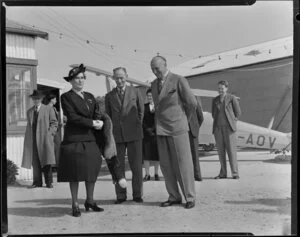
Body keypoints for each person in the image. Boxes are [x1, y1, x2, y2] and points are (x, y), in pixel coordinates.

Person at [150, 56, 197, 209]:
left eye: (157, 68)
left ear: (165, 64)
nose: (155, 71)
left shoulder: (178, 80)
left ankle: (190, 197)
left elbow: (191, 103)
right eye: (152, 69)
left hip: (178, 129)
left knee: (183, 165)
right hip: (161, 129)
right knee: (166, 166)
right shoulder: (153, 84)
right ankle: (173, 196)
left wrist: (184, 120)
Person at [58, 64, 104, 217]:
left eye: (82, 78)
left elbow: (96, 112)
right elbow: (72, 117)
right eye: (76, 78)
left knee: (91, 171)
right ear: (71, 81)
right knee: (75, 173)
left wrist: (99, 121)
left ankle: (90, 201)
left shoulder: (90, 96)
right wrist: (92, 123)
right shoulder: (66, 97)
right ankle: (75, 204)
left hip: (90, 139)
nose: (79, 81)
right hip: (74, 140)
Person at [105, 67, 144, 204]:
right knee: (118, 166)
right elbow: (108, 117)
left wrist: (135, 125)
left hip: (134, 134)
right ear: (113, 78)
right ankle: (120, 195)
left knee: (136, 166)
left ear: (126, 76)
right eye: (117, 78)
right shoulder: (109, 96)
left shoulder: (136, 91)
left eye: (121, 77)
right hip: (117, 136)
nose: (119, 80)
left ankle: (138, 194)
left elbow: (141, 112)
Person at [21, 90, 58, 189]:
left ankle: (49, 182)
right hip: (33, 139)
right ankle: (37, 182)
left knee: (47, 160)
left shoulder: (48, 109)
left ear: (41, 99)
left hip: (45, 138)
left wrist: (50, 133)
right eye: (34, 98)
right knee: (35, 161)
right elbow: (29, 126)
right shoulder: (29, 111)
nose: (36, 100)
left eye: (38, 98)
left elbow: (54, 123)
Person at [212, 80, 241, 180]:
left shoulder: (232, 98)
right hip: (218, 129)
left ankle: (235, 173)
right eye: (219, 88)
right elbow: (213, 114)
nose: (220, 90)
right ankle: (223, 173)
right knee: (220, 152)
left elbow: (238, 113)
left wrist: (232, 123)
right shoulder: (214, 100)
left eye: (222, 88)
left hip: (229, 129)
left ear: (226, 88)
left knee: (232, 151)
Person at [142, 88, 160, 181]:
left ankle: (156, 174)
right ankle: (147, 174)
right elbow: (142, 119)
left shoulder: (158, 106)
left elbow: (159, 119)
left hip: (156, 133)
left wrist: (153, 129)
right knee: (146, 155)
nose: (149, 97)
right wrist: (147, 129)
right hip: (146, 134)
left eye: (151, 95)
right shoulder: (143, 106)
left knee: (156, 155)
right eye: (148, 96)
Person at [188, 97, 204, 181]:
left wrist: (196, 127)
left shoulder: (195, 99)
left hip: (193, 132)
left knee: (195, 155)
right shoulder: (179, 99)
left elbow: (201, 117)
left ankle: (197, 175)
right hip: (183, 132)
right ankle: (187, 176)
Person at [46, 93, 61, 170]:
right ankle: (52, 166)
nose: (56, 100)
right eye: (55, 99)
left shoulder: (54, 108)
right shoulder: (47, 108)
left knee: (57, 148)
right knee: (51, 148)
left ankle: (56, 165)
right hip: (51, 131)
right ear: (51, 100)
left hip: (56, 131)